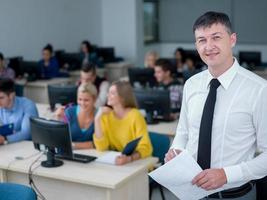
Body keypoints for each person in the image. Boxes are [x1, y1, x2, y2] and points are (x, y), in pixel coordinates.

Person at [164, 11, 267, 200]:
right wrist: (176, 150)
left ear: (232, 39)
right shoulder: (192, 84)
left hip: (235, 195)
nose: (209, 46)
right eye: (202, 40)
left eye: (216, 37)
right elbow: (184, 132)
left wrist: (226, 174)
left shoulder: (259, 90)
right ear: (196, 45)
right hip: (190, 192)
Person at [93, 81, 153, 165]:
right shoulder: (105, 116)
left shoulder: (135, 115)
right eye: (108, 93)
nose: (108, 96)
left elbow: (146, 148)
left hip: (137, 162)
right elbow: (101, 147)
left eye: (112, 93)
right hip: (117, 162)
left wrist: (129, 159)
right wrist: (97, 119)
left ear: (122, 97)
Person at [55, 83, 97, 150]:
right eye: (80, 99)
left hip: (93, 155)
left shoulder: (99, 116)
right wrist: (58, 120)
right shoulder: (69, 112)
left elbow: (98, 144)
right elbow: (60, 140)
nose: (82, 103)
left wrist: (73, 145)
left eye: (86, 100)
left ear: (94, 100)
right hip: (71, 154)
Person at [0, 78, 38, 144]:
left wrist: (4, 139)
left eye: (1, 98)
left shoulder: (28, 105)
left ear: (11, 95)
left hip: (28, 147)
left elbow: (26, 134)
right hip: (10, 146)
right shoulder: (2, 106)